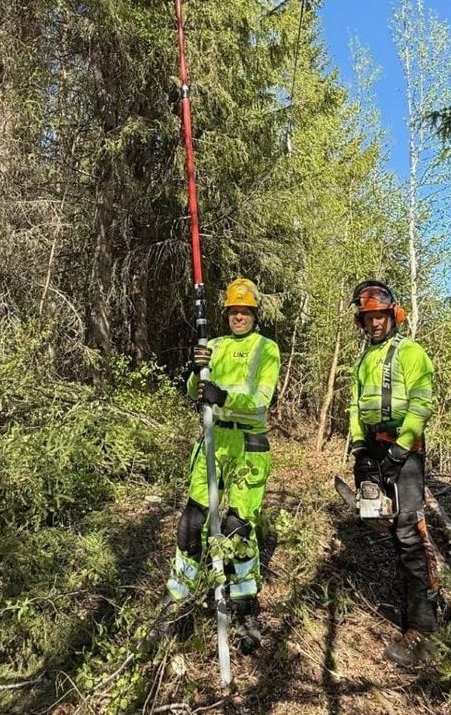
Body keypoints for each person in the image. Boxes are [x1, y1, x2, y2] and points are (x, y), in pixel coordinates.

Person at [160, 277, 279, 655]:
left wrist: (223, 395)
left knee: (236, 528)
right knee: (192, 523)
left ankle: (244, 608)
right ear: (226, 313)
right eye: (233, 310)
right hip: (212, 441)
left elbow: (261, 400)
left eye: (245, 311)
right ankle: (177, 604)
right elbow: (196, 392)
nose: (238, 316)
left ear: (254, 313)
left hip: (248, 446)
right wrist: (198, 372)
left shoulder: (267, 348)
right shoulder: (213, 345)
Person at [347, 279, 438, 667]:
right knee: (381, 522)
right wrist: (360, 451)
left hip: (406, 450)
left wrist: (402, 446)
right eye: (368, 318)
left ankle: (424, 630)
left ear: (392, 315)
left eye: (380, 316)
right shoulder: (363, 361)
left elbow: (422, 402)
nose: (375, 324)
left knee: (409, 531)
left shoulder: (411, 352)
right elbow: (355, 408)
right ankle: (409, 610)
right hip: (375, 448)